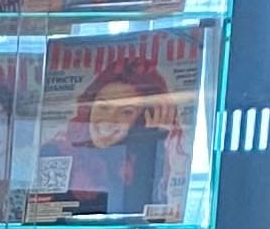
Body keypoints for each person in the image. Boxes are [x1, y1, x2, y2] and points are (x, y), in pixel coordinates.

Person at [44, 60, 175, 218]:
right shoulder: (57, 151)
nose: (109, 120)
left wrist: (151, 143)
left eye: (126, 112)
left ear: (141, 120)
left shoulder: (136, 160)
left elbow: (139, 215)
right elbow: (46, 216)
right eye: (103, 107)